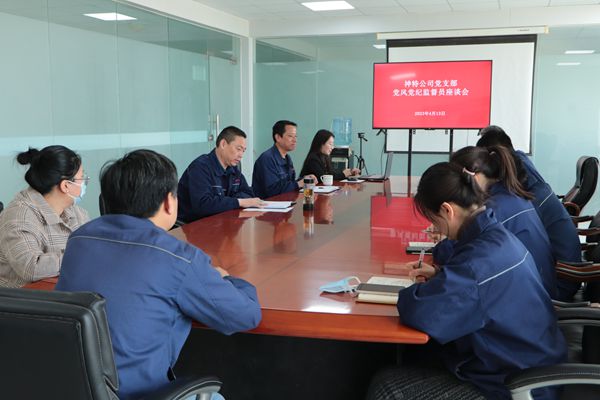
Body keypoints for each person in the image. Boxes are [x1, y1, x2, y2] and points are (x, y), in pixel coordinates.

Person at [56, 149, 261, 400]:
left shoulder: (79, 240)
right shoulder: (177, 256)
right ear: (168, 202)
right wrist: (226, 279)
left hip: (71, 388)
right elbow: (245, 315)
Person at [367, 162, 566, 400]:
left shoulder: (477, 263)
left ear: (447, 211)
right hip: (531, 363)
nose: (435, 229)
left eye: (433, 220)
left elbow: (420, 311)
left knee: (387, 389)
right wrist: (442, 277)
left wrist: (419, 290)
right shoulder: (496, 235)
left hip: (513, 386)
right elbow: (478, 287)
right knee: (418, 357)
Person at [477, 125, 582, 301]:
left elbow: (483, 234)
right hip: (557, 272)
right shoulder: (523, 171)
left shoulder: (522, 197)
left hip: (560, 280)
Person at [448, 145, 557, 298]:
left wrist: (448, 230)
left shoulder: (494, 209)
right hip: (536, 286)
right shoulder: (507, 195)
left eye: (458, 183)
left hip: (535, 294)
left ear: (472, 177)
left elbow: (462, 253)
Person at [0, 145, 89, 288]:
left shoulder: (78, 213)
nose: (85, 182)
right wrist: (81, 257)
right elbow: (31, 267)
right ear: (66, 185)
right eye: (82, 178)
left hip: (65, 294)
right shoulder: (19, 216)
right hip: (23, 299)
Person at [178, 126, 264, 222]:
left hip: (221, 221)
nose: (241, 155)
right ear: (223, 144)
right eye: (238, 149)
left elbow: (248, 194)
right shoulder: (200, 167)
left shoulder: (233, 169)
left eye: (243, 151)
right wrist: (237, 202)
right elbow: (203, 205)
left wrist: (227, 202)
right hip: (193, 225)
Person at [252, 120, 317, 198]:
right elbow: (271, 191)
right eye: (290, 136)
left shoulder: (287, 158)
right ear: (278, 137)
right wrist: (298, 184)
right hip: (268, 203)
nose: (295, 140)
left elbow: (289, 184)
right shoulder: (267, 159)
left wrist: (304, 179)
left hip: (286, 201)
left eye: (295, 136)